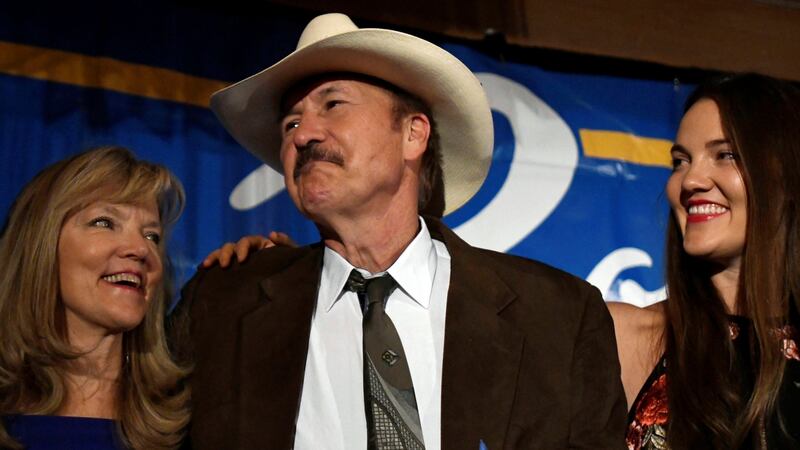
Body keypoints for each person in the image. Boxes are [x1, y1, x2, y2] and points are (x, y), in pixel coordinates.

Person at [171, 13, 626, 449]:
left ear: (413, 134)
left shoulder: (558, 317)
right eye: (289, 123)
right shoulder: (222, 305)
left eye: (333, 104)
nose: (303, 134)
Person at [609, 73, 800, 449]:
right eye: (681, 161)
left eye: (725, 155)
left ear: (785, 175)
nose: (691, 179)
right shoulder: (620, 337)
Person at [0, 147, 190, 449]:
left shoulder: (185, 417)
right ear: (40, 244)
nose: (140, 250)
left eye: (151, 235)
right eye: (104, 223)